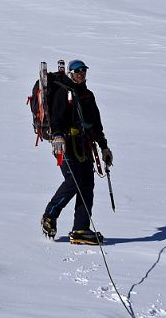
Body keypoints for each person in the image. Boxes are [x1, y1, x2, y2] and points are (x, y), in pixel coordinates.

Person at [40, 59, 113, 244]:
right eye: (77, 71)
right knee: (74, 181)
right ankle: (50, 214)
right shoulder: (64, 93)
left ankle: (81, 228)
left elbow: (96, 124)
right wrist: (57, 135)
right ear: (71, 74)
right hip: (65, 145)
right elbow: (57, 118)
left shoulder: (88, 95)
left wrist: (104, 147)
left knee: (87, 185)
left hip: (85, 146)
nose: (81, 74)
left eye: (83, 71)